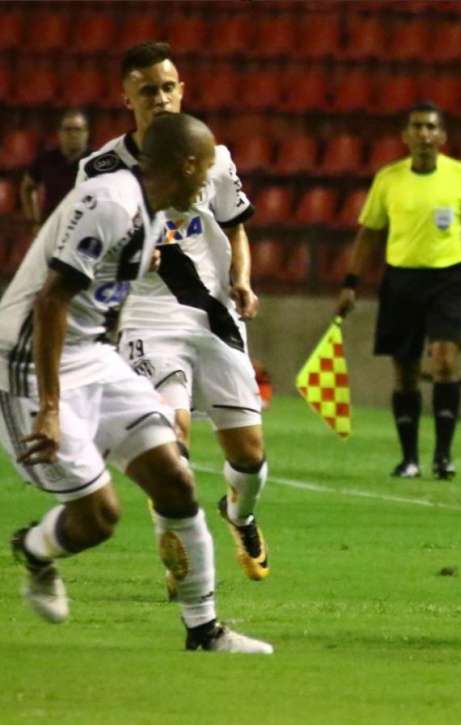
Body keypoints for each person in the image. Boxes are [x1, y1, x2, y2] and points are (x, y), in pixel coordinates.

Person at [0, 113, 271, 654]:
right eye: (205, 170)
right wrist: (51, 408)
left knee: (175, 479)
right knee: (100, 516)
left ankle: (205, 630)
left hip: (92, 356)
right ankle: (34, 548)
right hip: (29, 363)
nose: (207, 183)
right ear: (188, 164)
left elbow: (107, 295)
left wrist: (113, 361)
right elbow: (52, 301)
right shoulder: (111, 203)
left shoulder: (150, 213)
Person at [76, 42, 269, 586]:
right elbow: (82, 254)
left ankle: (241, 512)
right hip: (146, 317)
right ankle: (181, 561)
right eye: (147, 91)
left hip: (214, 316)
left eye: (168, 87)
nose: (160, 99)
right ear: (126, 98)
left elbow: (234, 225)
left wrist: (241, 279)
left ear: (181, 89)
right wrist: (125, 256)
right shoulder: (101, 169)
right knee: (171, 437)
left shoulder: (215, 157)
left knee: (249, 457)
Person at [337, 102, 461, 480]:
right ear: (406, 136)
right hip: (400, 280)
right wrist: (351, 282)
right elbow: (369, 234)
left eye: (431, 127)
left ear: (442, 136)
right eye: (417, 127)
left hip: (448, 279)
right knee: (406, 372)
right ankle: (409, 458)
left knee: (445, 361)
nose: (424, 134)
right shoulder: (389, 178)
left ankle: (443, 456)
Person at [20, 109, 90, 230]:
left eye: (78, 129)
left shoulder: (97, 161)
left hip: (86, 228)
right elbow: (27, 187)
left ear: (86, 133)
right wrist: (32, 220)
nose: (73, 134)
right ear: (59, 133)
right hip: (51, 227)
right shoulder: (45, 159)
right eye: (68, 129)